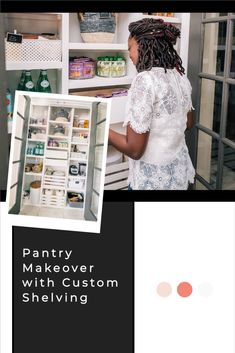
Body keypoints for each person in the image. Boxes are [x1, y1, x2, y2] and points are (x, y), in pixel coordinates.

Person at [108, 18, 195, 190]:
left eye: (130, 49)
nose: (130, 56)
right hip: (178, 175)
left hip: (151, 182)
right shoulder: (179, 77)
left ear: (143, 45)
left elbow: (134, 150)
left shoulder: (145, 80)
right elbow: (188, 123)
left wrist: (100, 129)